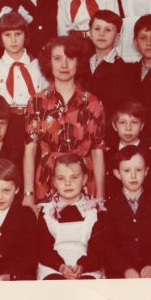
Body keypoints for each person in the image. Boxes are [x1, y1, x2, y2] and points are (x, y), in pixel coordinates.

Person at [24, 36, 106, 205]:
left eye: (70, 58)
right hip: (47, 180)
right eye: (58, 58)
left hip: (83, 182)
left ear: (79, 63)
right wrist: (28, 194)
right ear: (49, 63)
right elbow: (30, 151)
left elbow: (98, 153)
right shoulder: (36, 102)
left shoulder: (92, 102)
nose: (64, 65)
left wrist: (100, 196)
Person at [0, 12, 48, 154]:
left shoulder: (39, 68)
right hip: (6, 127)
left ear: (25, 36)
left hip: (36, 123)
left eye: (18, 34)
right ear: (0, 38)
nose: (13, 40)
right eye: (7, 35)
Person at [103, 146, 151, 279]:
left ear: (146, 171)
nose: (133, 176)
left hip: (150, 273)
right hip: (120, 274)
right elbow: (108, 246)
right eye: (127, 170)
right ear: (117, 174)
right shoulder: (109, 206)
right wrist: (125, 269)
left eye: (138, 170)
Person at [37, 154, 105, 280]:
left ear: (84, 179)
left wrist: (82, 267)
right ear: (54, 182)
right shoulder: (46, 212)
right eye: (61, 178)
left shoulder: (94, 212)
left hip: (85, 268)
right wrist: (61, 266)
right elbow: (43, 249)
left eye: (74, 177)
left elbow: (98, 251)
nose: (67, 183)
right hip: (54, 267)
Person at [83, 9, 136, 136]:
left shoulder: (123, 70)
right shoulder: (82, 65)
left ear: (117, 37)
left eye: (108, 30)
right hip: (81, 132)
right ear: (90, 33)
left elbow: (119, 110)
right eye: (97, 29)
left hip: (107, 133)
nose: (101, 34)